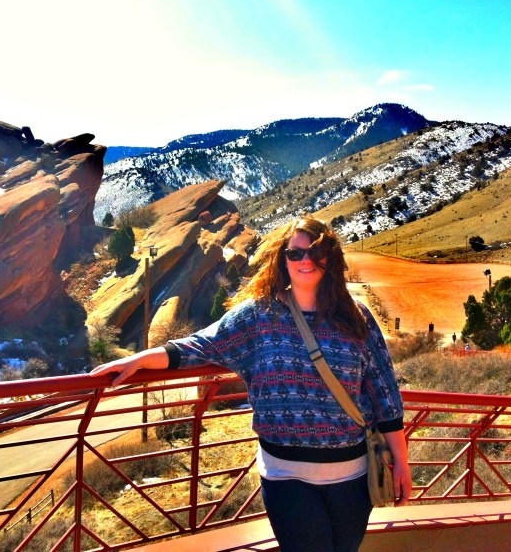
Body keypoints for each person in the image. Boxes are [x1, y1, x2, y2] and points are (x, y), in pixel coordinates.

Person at [91, 216, 411, 552]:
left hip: (353, 477)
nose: (305, 262)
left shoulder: (356, 316)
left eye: (316, 254)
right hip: (287, 477)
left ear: (330, 259)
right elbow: (201, 345)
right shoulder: (259, 315)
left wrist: (401, 463)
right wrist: (140, 359)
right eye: (295, 254)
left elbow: (384, 392)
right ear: (281, 258)